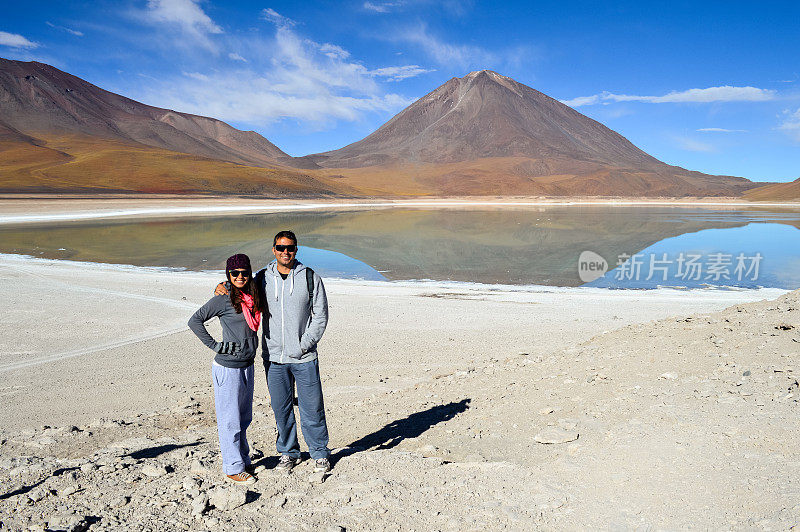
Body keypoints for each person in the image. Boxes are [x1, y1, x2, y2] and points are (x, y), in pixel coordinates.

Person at [216, 230, 331, 473]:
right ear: (273, 250)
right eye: (280, 247)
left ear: (296, 249)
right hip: (273, 357)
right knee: (281, 408)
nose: (285, 252)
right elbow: (241, 287)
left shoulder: (310, 278)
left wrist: (304, 344)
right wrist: (224, 285)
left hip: (304, 357)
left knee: (312, 407)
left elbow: (320, 316)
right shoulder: (262, 278)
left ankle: (319, 452)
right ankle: (289, 453)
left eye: (289, 247)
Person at [189, 254, 262, 485]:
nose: (240, 276)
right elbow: (195, 321)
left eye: (244, 272)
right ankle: (232, 468)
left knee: (244, 418)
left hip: (247, 365)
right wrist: (216, 346)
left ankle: (242, 459)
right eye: (234, 273)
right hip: (228, 368)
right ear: (227, 275)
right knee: (229, 419)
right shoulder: (223, 298)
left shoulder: (253, 295)